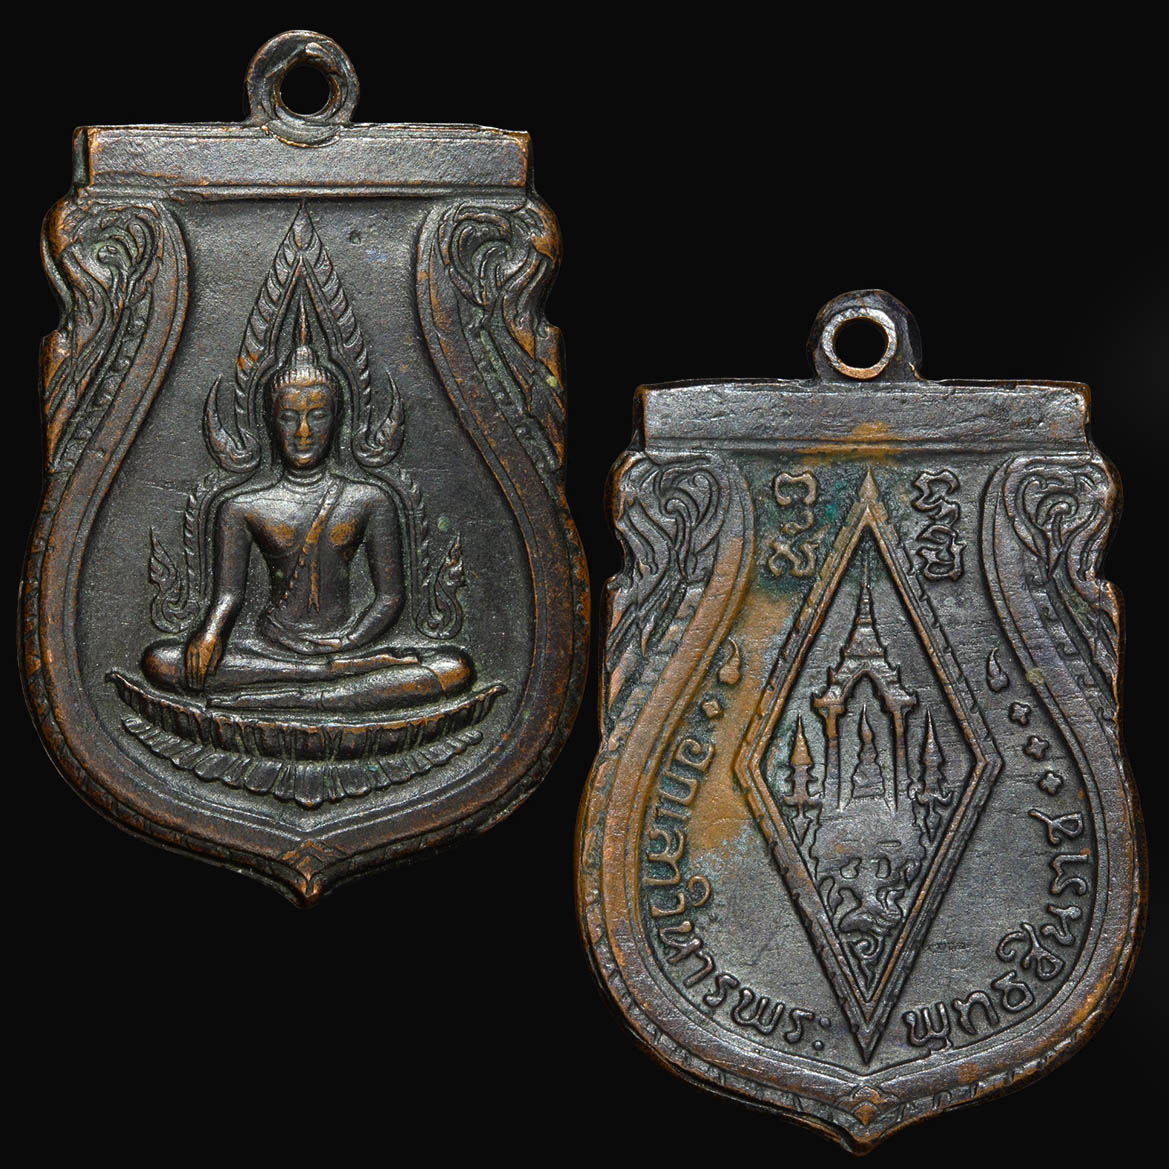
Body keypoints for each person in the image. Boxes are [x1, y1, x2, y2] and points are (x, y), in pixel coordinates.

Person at [142, 313, 471, 712]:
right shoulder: (242, 507)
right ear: (269, 422)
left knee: (454, 667)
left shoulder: (369, 499)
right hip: (269, 648)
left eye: (318, 415)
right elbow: (229, 595)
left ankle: (302, 686)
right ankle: (323, 683)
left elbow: (390, 597)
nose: (303, 432)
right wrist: (210, 633)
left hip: (348, 646)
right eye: (289, 417)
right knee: (161, 661)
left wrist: (347, 642)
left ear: (338, 419)